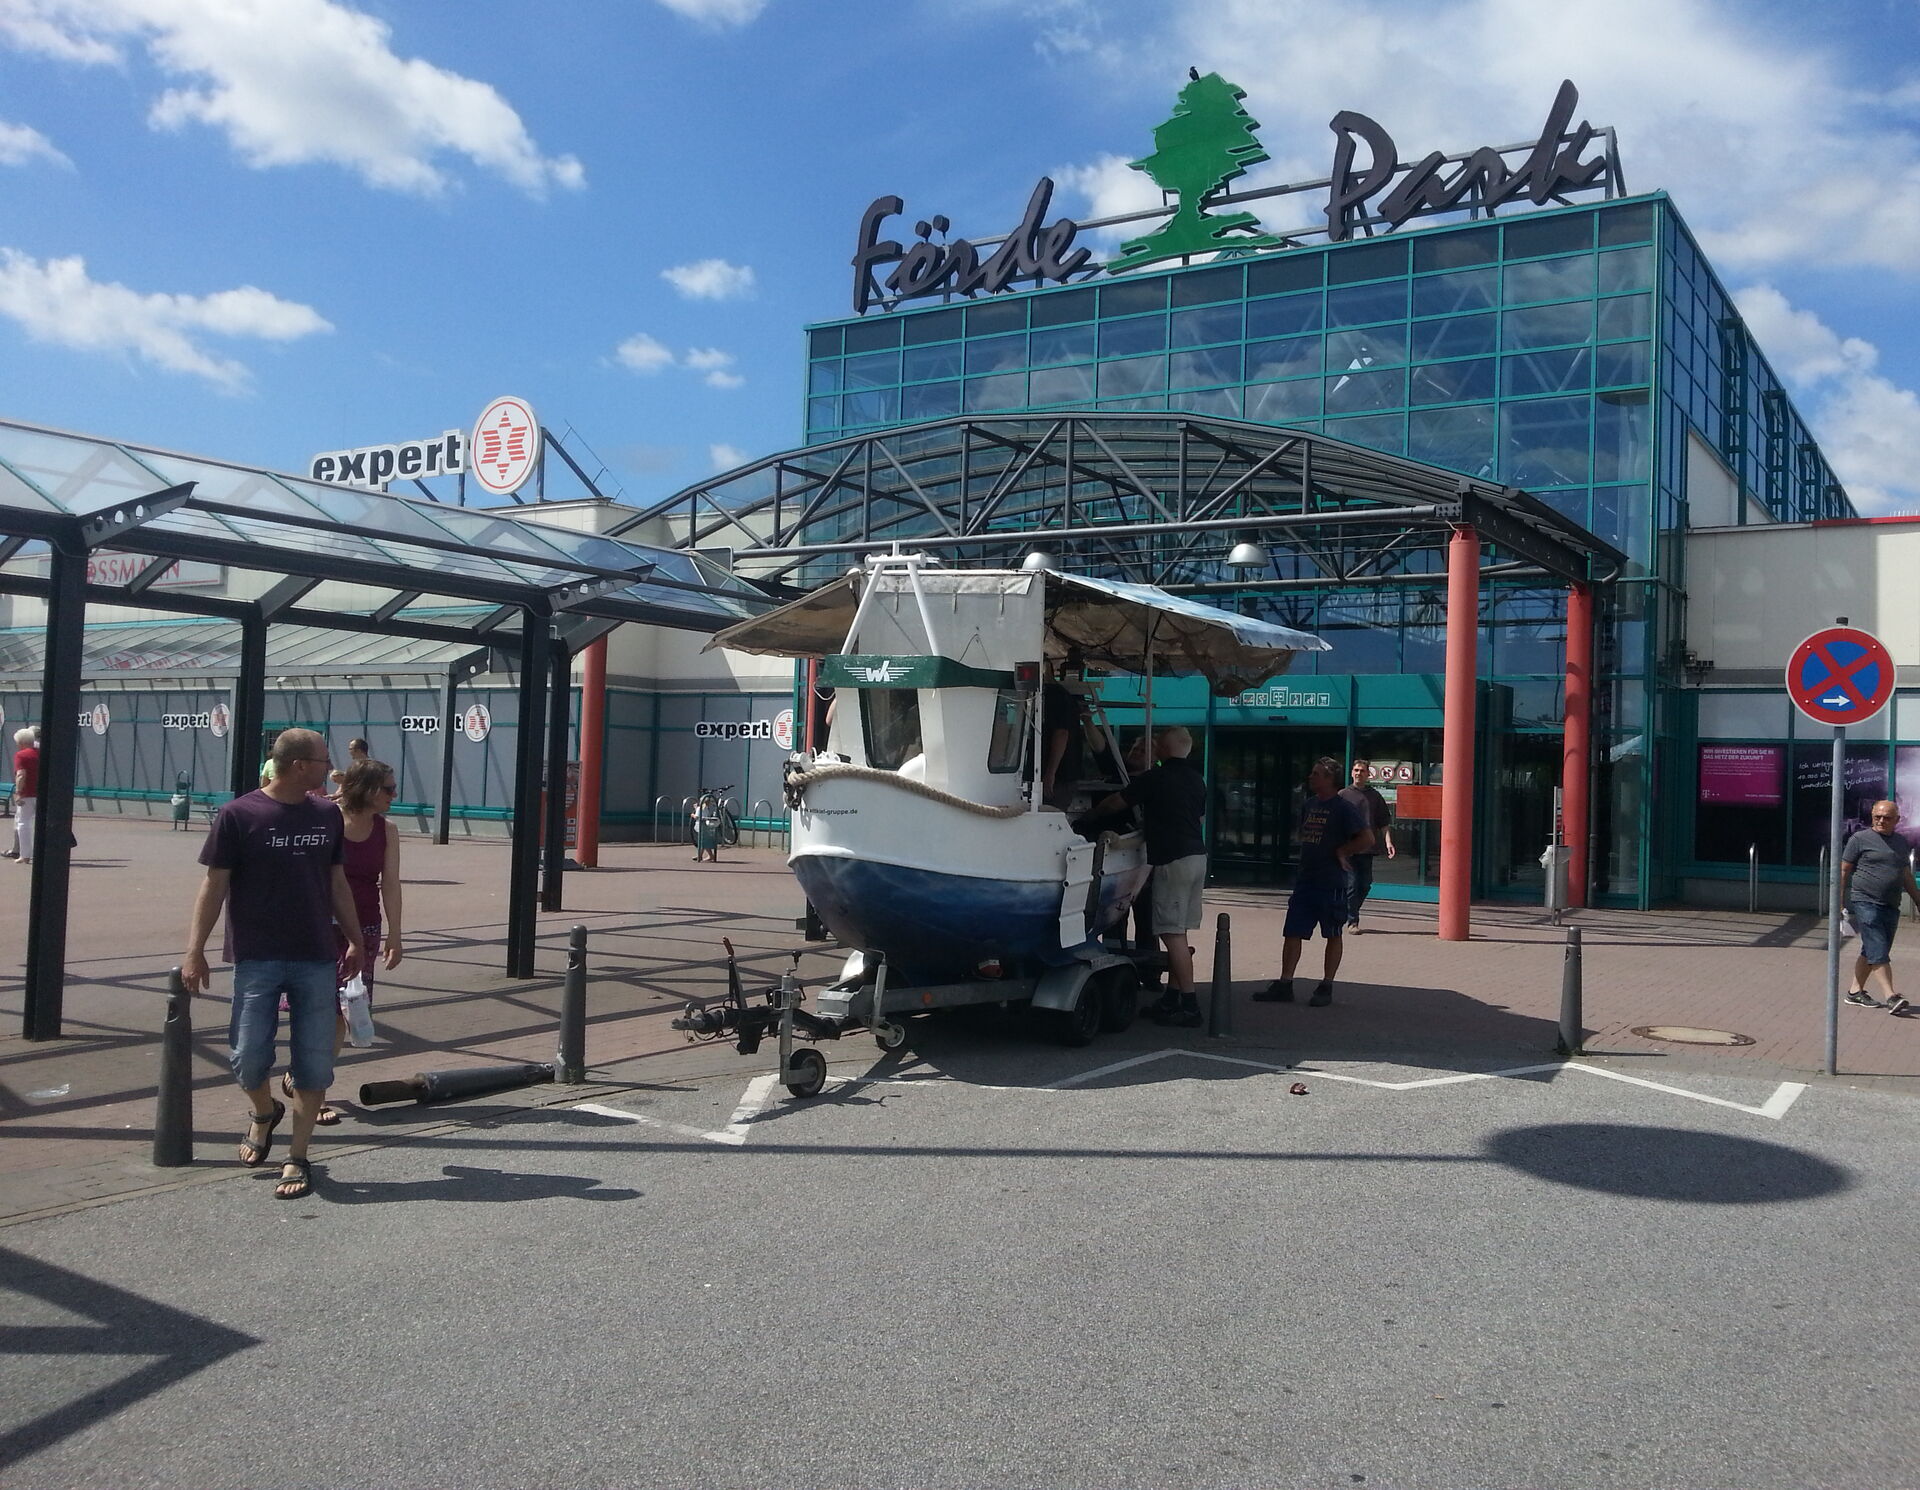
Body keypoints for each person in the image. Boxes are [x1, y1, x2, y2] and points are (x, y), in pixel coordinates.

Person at [181, 728, 364, 1200]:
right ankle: (265, 1113)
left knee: (313, 1064)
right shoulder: (239, 814)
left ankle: (297, 1155)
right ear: (299, 764)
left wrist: (355, 936)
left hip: (315, 956)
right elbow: (214, 885)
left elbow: (337, 881)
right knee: (247, 1059)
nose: (330, 769)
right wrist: (194, 949)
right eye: (324, 761)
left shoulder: (327, 814)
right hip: (257, 955)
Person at [295, 757, 404, 1124]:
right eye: (388, 788)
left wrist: (396, 934)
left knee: (344, 1012)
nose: (394, 794)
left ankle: (306, 1080)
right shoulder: (325, 817)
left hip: (364, 929)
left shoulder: (386, 829)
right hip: (316, 926)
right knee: (320, 1013)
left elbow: (390, 883)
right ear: (368, 789)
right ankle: (314, 1091)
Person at [1090, 725, 1208, 1027]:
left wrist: (1088, 818)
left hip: (1172, 859)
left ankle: (1190, 1004)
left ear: (1163, 750)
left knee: (1172, 933)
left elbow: (1117, 802)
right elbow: (1200, 817)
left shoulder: (1155, 778)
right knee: (1180, 930)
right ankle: (1170, 999)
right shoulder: (1197, 779)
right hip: (1198, 857)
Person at [1258, 756, 1373, 1007]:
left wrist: (1343, 851)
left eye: (1316, 774)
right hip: (1306, 880)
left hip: (1331, 881)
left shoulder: (1343, 808)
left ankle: (1326, 985)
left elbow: (1367, 838)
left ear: (1329, 779)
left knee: (1332, 933)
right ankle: (1285, 983)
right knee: (1292, 931)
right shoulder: (1309, 804)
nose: (1311, 777)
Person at [1840, 799, 1920, 1017]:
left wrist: (1918, 900)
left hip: (1890, 904)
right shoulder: (1860, 839)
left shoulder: (1900, 842)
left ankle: (1854, 992)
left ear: (1897, 820)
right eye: (1877, 817)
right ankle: (1891, 996)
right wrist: (1838, 902)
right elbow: (1844, 870)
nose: (1881, 821)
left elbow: (1905, 874)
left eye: (1886, 817)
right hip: (1865, 901)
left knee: (1872, 950)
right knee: (1878, 947)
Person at [1338, 758, 1396, 933]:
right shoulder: (1342, 795)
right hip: (1348, 848)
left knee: (1365, 884)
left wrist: (1388, 842)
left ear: (1368, 774)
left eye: (1362, 771)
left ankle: (1349, 912)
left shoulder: (1374, 796)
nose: (1358, 773)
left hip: (1367, 848)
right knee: (1352, 884)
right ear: (1351, 773)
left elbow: (1383, 822)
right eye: (1356, 770)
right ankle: (1352, 921)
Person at [1041, 670, 1086, 810]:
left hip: (1060, 777)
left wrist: (1050, 773)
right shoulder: (1057, 695)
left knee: (1050, 820)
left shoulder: (1055, 696)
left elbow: (1061, 733)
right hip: (1058, 774)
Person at [7, 726, 37, 863]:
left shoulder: (21, 755)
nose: (17, 745)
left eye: (18, 743)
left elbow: (21, 775)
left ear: (23, 743)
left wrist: (18, 793)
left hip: (27, 794)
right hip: (42, 794)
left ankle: (25, 855)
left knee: (23, 822)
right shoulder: (41, 752)